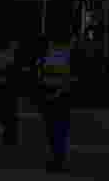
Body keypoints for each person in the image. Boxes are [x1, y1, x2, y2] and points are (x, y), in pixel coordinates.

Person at [38, 35, 74, 173]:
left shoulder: (49, 57)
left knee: (53, 131)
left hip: (52, 97)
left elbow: (41, 78)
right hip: (58, 97)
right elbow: (68, 79)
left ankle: (56, 159)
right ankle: (57, 159)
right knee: (58, 131)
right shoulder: (65, 56)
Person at [0, 37, 20, 145]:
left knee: (6, 112)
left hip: (6, 86)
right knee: (3, 112)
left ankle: (9, 136)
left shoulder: (7, 51)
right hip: (2, 85)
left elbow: (12, 68)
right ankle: (7, 135)